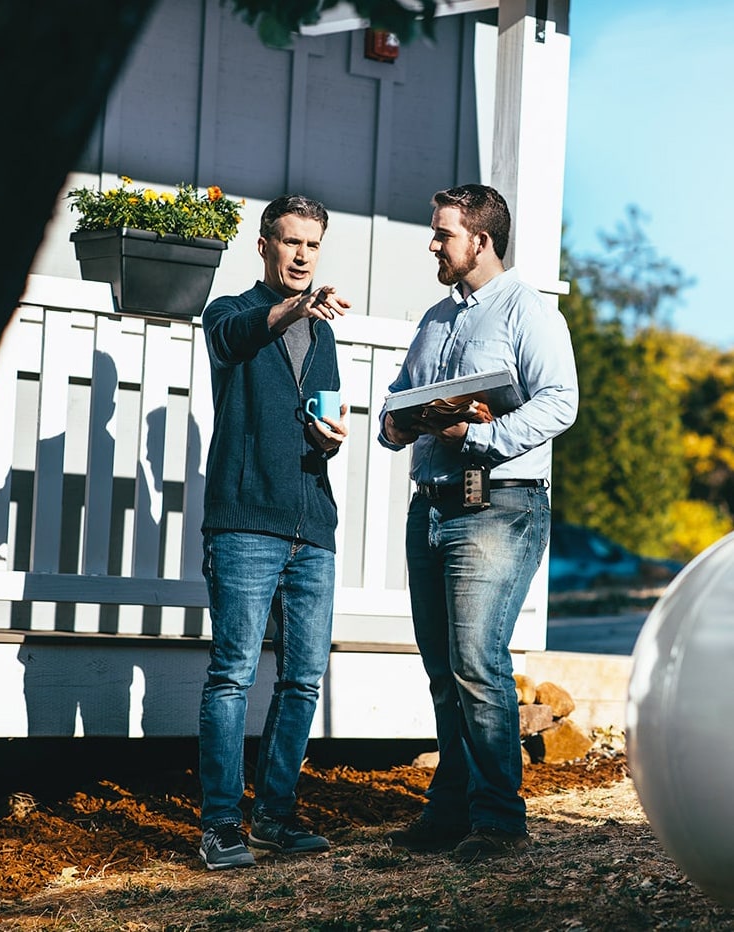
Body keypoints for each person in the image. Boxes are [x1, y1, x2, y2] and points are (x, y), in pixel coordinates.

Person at [378, 184, 578, 862]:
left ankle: (499, 820)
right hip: (430, 504)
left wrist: (478, 436)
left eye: (442, 233)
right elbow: (393, 410)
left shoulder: (531, 312)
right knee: (443, 669)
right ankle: (452, 808)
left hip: (500, 507)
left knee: (477, 662)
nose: (432, 243)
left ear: (480, 241)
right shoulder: (436, 318)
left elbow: (560, 402)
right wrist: (401, 420)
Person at [198, 194, 350, 870]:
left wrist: (331, 435)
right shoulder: (228, 313)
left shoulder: (324, 334)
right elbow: (239, 339)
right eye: (291, 243)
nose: (302, 257)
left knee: (304, 680)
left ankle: (275, 817)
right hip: (244, 522)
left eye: (312, 246)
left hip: (312, 522)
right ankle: (220, 824)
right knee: (232, 675)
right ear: (264, 244)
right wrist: (295, 306)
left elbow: (331, 418)